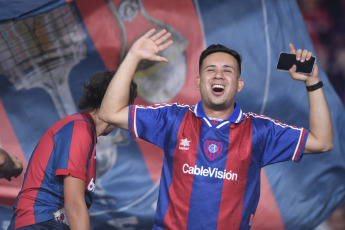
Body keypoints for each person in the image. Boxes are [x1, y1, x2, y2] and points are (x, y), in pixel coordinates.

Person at [99, 29, 334, 229]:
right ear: (199, 82)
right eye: (210, 69)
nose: (218, 75)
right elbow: (109, 112)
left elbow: (322, 141)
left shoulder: (260, 131)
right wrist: (132, 56)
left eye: (227, 70)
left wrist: (313, 83)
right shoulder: (173, 119)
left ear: (239, 84)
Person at [7, 71, 137, 230]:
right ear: (117, 103)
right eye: (127, 107)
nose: (126, 115)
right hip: (38, 223)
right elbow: (74, 204)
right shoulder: (79, 128)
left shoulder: (85, 131)